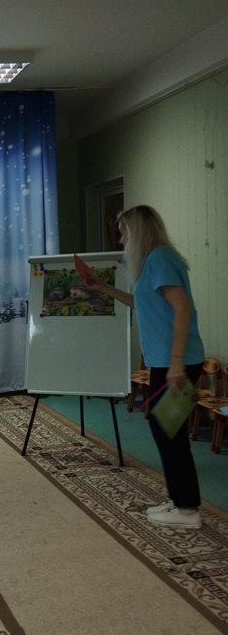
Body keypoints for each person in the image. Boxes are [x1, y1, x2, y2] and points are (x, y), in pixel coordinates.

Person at [88, 205, 204, 529]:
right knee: (166, 431)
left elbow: (182, 309)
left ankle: (187, 509)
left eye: (124, 232)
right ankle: (180, 501)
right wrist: (104, 289)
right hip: (167, 361)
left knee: (169, 432)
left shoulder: (160, 259)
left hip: (176, 362)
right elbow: (141, 303)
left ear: (137, 231)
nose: (121, 239)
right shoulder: (155, 261)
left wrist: (176, 364)